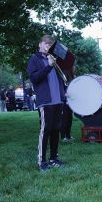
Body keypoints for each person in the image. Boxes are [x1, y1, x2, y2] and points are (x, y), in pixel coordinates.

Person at [27, 34, 65, 171]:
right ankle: (41, 161)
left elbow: (59, 79)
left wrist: (63, 94)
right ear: (40, 44)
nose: (48, 46)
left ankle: (53, 158)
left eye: (50, 44)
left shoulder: (53, 60)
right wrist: (48, 66)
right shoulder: (34, 59)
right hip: (45, 101)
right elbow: (35, 78)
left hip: (57, 100)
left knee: (56, 130)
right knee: (45, 130)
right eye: (46, 43)